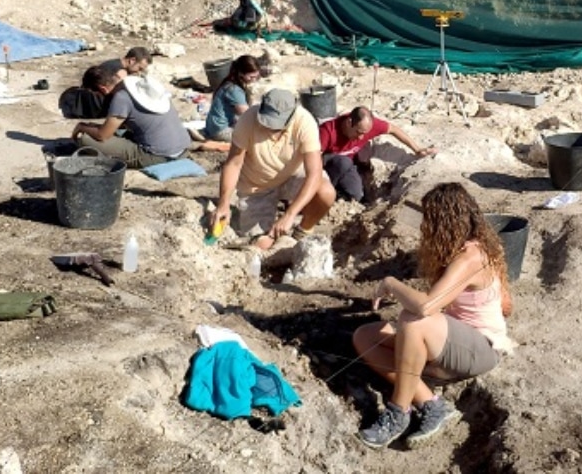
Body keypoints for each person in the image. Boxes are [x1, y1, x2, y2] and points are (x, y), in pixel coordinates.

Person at [352, 182, 513, 450]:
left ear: (443, 221)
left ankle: (397, 412)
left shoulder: (471, 257)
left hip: (480, 350)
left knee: (413, 319)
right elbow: (505, 304)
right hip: (453, 342)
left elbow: (426, 307)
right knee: (365, 335)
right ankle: (432, 405)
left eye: (428, 220)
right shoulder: (462, 251)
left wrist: (391, 284)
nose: (424, 227)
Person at [211, 88, 336, 252]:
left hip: (292, 175)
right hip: (256, 187)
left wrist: (290, 214)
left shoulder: (305, 122)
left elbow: (314, 173)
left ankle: (302, 231)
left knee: (326, 192)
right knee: (261, 244)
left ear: (292, 116)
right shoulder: (248, 120)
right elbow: (233, 164)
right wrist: (224, 203)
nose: (271, 128)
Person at [71, 72, 191, 168]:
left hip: (158, 156)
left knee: (85, 139)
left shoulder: (121, 98)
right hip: (182, 148)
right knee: (118, 133)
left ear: (103, 89)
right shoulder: (140, 86)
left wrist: (82, 126)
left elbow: (103, 136)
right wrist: (95, 127)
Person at [319, 106, 436, 202]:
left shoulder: (367, 127)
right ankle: (325, 193)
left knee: (357, 195)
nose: (361, 137)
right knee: (343, 162)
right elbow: (313, 158)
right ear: (349, 123)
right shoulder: (327, 131)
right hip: (328, 167)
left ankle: (339, 195)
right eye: (358, 132)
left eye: (365, 133)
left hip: (348, 166)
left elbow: (393, 129)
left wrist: (417, 149)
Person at [194, 55, 263, 152]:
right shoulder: (234, 90)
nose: (254, 80)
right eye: (251, 77)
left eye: (256, 77)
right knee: (255, 139)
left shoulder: (229, 83)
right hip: (220, 131)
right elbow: (247, 115)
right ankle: (214, 144)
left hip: (213, 126)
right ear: (241, 73)